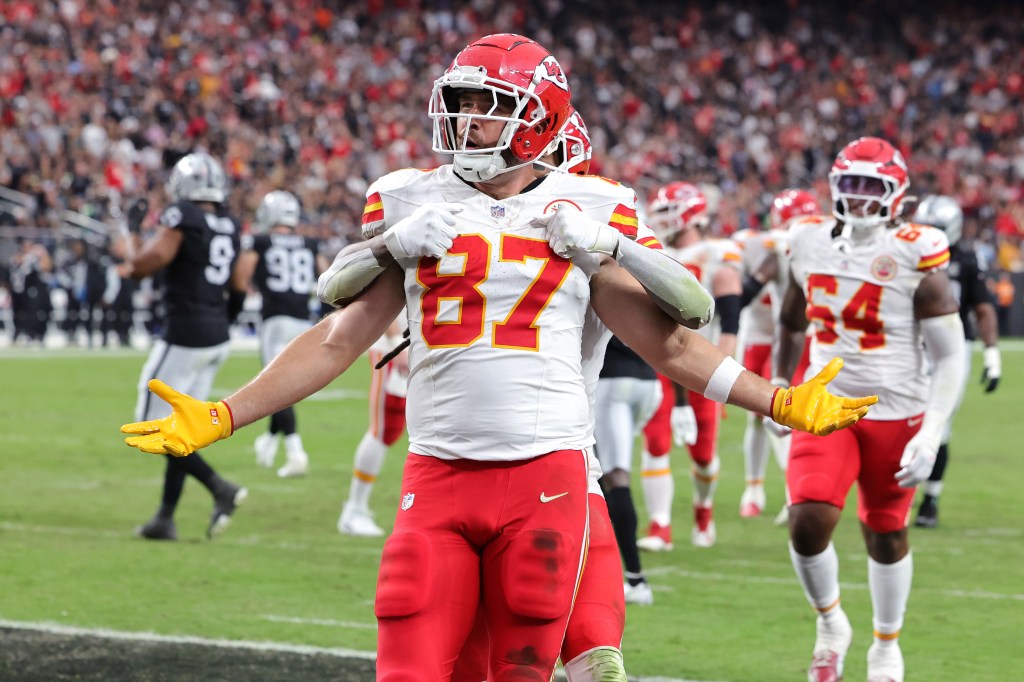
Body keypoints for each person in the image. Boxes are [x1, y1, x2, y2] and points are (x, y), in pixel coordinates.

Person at [123, 35, 875, 681]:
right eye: (459, 103)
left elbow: (668, 342)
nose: (464, 120)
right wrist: (226, 413)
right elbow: (339, 338)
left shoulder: (591, 208)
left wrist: (776, 401)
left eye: (487, 105)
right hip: (438, 473)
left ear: (538, 117)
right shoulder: (408, 199)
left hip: (545, 478)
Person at [774, 137, 964, 682]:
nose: (858, 198)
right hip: (826, 402)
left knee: (886, 532)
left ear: (896, 194)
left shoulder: (914, 249)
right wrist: (782, 386)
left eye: (870, 187)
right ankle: (831, 623)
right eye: (849, 185)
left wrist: (931, 433)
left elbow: (951, 357)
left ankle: (886, 644)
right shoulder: (806, 240)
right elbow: (791, 319)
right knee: (809, 520)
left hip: (897, 408)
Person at [120, 152, 249, 541]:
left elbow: (151, 259)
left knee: (153, 426)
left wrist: (131, 249)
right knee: (183, 427)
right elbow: (240, 284)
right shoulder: (228, 223)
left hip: (185, 334)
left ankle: (219, 488)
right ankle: (164, 517)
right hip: (215, 335)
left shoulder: (182, 215)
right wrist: (221, 319)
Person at [639, 181, 743, 549]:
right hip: (658, 361)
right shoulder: (653, 250)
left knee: (703, 455)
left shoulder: (716, 253)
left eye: (668, 211)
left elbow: (731, 317)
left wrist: (726, 372)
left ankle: (703, 512)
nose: (660, 219)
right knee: (655, 442)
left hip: (703, 363)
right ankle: (659, 527)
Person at [909, 195, 1001, 528]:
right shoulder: (907, 253)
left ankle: (930, 499)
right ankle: (901, 496)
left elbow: (984, 307)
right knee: (903, 420)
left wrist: (992, 355)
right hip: (912, 344)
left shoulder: (965, 257)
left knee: (939, 423)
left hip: (952, 348)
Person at [733, 188, 821, 522]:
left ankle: (792, 491)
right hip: (759, 336)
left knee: (791, 416)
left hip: (798, 339)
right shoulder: (765, 245)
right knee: (757, 417)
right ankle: (754, 488)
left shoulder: (819, 245)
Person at [232, 189, 327, 478]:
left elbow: (243, 273)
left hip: (275, 320)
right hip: (303, 321)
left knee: (275, 387)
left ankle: (296, 451)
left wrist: (233, 304)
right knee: (282, 383)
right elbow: (327, 277)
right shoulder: (310, 243)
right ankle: (270, 441)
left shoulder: (260, 240)